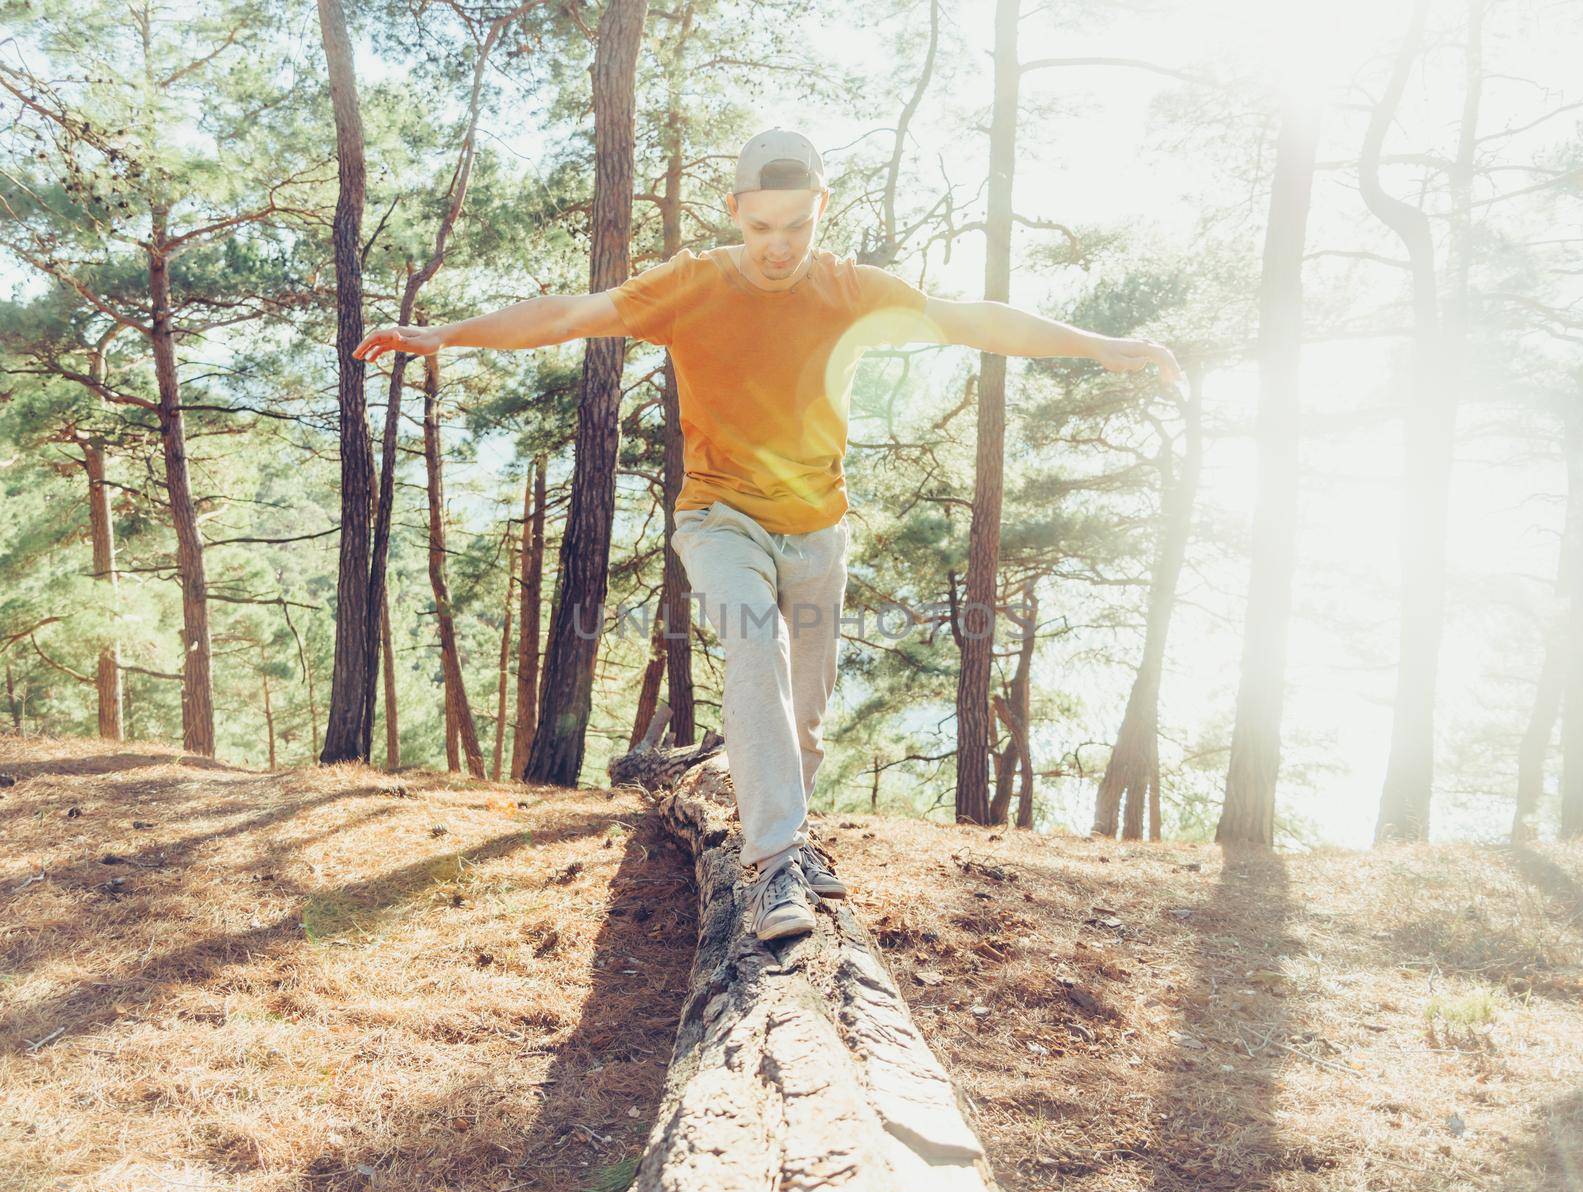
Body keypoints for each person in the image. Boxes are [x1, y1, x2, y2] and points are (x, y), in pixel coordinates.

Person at [353, 127, 1183, 943]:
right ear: (734, 212)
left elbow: (975, 321)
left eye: (796, 227)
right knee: (757, 651)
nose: (777, 247)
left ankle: (792, 827)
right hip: (718, 519)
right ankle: (773, 860)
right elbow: (574, 313)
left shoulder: (852, 290)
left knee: (807, 722)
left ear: (822, 209)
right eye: (759, 228)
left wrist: (1098, 346)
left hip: (819, 532)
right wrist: (443, 335)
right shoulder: (694, 284)